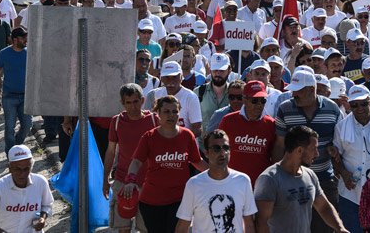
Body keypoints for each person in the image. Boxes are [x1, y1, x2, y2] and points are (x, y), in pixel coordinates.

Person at [122, 95, 207, 232]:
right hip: (152, 201)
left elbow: (197, 161)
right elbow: (136, 162)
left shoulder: (187, 136)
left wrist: (220, 175)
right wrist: (130, 180)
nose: (171, 115)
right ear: (158, 114)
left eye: (175, 111)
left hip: (180, 200)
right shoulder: (149, 137)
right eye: (166, 111)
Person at [272, 70, 343, 233]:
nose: (294, 93)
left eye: (298, 90)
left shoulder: (332, 109)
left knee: (324, 228)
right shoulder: (285, 108)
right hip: (293, 180)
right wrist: (279, 176)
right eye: (293, 89)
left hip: (324, 180)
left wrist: (335, 151)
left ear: (312, 89)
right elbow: (279, 145)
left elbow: (339, 143)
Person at [255, 125, 349, 233]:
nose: (317, 154)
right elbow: (261, 222)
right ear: (299, 150)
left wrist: (340, 228)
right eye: (314, 149)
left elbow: (324, 207)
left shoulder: (310, 175)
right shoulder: (269, 179)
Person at [330, 85, 370, 232]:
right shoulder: (341, 127)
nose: (359, 108)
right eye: (354, 105)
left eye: (363, 103)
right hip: (350, 194)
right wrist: (343, 174)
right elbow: (335, 156)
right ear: (349, 105)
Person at [175, 129, 258, 233]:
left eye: (226, 148)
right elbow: (182, 226)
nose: (222, 152)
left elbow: (249, 224)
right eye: (216, 148)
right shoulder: (194, 184)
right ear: (206, 153)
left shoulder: (243, 181)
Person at [102, 83, 158, 233]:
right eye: (128, 102)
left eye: (136, 101)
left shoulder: (154, 120)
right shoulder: (117, 121)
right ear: (122, 103)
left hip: (148, 183)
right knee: (123, 228)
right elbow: (111, 151)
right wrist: (105, 179)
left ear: (142, 100)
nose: (133, 106)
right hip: (122, 180)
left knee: (147, 228)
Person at [0, 145, 53, 233]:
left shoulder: (41, 182)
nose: (22, 174)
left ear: (31, 167)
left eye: (26, 169)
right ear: (9, 168)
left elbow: (47, 205)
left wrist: (42, 218)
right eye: (17, 169)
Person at [219, 80, 276, 186]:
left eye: (262, 100)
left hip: (260, 186)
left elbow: (274, 156)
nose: (259, 105)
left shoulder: (271, 124)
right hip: (232, 184)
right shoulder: (228, 121)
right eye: (254, 100)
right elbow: (218, 150)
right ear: (244, 99)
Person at [0, 26, 32, 156]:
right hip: (9, 97)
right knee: (9, 126)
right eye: (23, 37)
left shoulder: (29, 53)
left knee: (27, 125)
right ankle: (11, 155)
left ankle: (16, 146)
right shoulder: (4, 53)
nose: (26, 40)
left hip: (25, 96)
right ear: (15, 40)